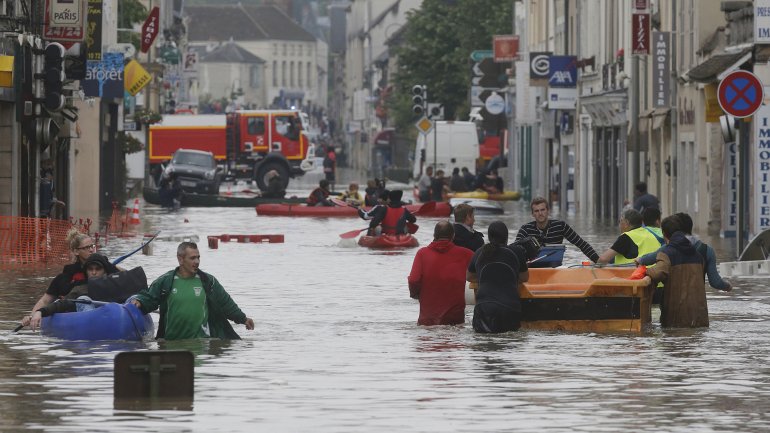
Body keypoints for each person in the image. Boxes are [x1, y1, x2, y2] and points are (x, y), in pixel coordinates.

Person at [130, 242, 255, 340]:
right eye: (192, 258)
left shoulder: (208, 281)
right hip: (171, 342)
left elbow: (225, 303)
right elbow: (150, 297)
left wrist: (243, 319)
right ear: (180, 259)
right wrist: (140, 301)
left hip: (201, 342)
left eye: (198, 258)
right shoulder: (166, 281)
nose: (197, 262)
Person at [20, 229, 119, 328]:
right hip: (77, 313)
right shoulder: (65, 278)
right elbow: (45, 301)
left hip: (105, 310)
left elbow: (123, 279)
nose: (91, 250)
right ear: (76, 251)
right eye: (87, 247)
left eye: (92, 246)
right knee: (82, 299)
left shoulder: (106, 267)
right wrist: (32, 316)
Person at [28, 254, 146, 329]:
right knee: (83, 300)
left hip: (122, 320)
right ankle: (93, 327)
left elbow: (142, 290)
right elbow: (63, 303)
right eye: (90, 269)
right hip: (94, 323)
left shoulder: (118, 283)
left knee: (134, 298)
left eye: (98, 269)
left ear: (105, 271)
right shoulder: (82, 288)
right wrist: (40, 312)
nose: (94, 273)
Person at [637, 212, 732, 292]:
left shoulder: (667, 249)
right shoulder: (707, 251)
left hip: (673, 307)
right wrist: (728, 286)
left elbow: (649, 259)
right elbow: (715, 282)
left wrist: (639, 260)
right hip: (698, 307)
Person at [645, 216, 709, 328]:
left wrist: (644, 270)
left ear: (664, 234)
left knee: (675, 343)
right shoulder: (698, 255)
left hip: (676, 317)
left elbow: (656, 273)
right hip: (699, 316)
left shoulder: (666, 253)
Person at [407, 221, 474, 325]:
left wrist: (415, 294)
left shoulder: (422, 254)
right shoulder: (467, 254)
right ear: (453, 236)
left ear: (434, 235)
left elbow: (413, 280)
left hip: (427, 320)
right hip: (454, 319)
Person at [467, 221, 529, 333]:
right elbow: (525, 277)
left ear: (489, 237)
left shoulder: (479, 252)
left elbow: (469, 277)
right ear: (506, 237)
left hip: (483, 309)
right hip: (509, 309)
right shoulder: (516, 251)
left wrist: (486, 277)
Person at [515, 197, 600, 263]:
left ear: (548, 211)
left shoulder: (561, 226)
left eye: (543, 210)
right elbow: (514, 250)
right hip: (532, 268)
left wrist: (598, 261)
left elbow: (581, 244)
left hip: (554, 267)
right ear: (532, 214)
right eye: (536, 211)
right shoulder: (525, 229)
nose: (540, 213)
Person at [597, 209, 662, 264]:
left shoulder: (626, 237)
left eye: (620, 221)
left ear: (626, 223)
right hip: (654, 275)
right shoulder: (650, 234)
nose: (619, 225)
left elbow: (603, 260)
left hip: (633, 275)